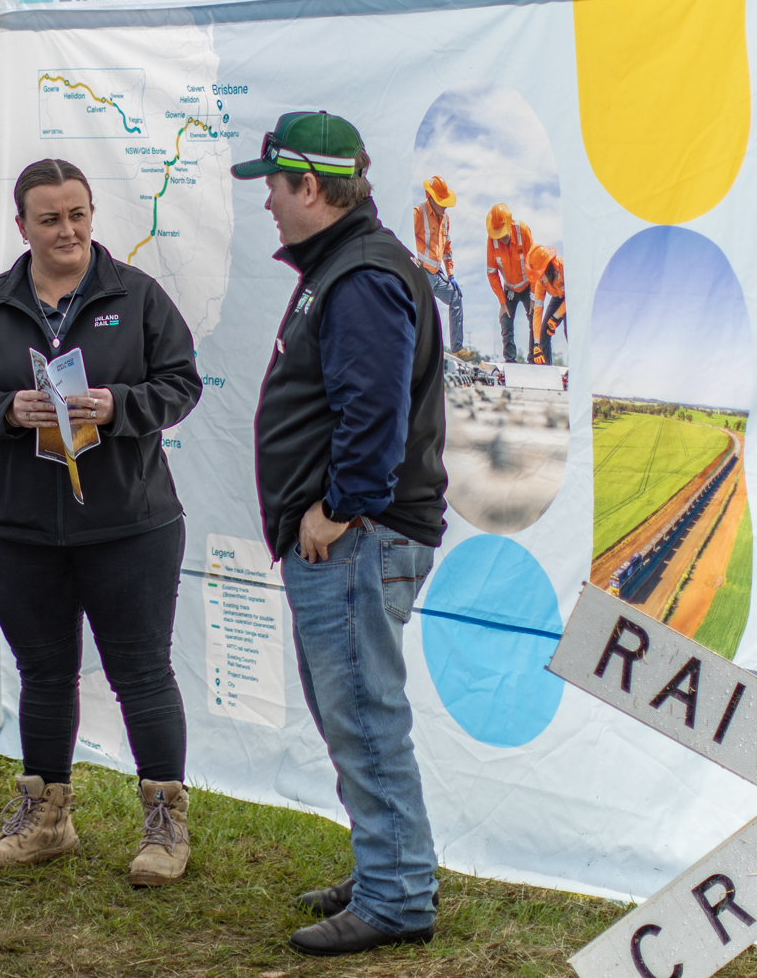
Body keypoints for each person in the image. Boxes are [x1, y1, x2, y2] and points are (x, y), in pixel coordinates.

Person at [0, 158, 203, 886]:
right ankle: (46, 818)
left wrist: (119, 406)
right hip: (20, 528)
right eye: (50, 218)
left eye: (78, 213)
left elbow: (182, 383)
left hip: (130, 524)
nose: (68, 229)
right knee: (44, 673)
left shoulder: (136, 296)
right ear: (20, 225)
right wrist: (6, 411)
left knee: (141, 672)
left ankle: (164, 824)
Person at [232, 111, 448, 956]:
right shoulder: (346, 265)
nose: (269, 207)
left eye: (275, 189)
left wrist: (338, 508)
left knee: (362, 713)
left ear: (311, 187)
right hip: (350, 538)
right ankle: (388, 865)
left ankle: (396, 894)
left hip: (356, 538)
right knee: (350, 710)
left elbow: (375, 413)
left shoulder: (359, 276)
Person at [412, 176, 464, 351]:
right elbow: (404, 239)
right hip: (422, 273)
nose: (445, 206)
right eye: (442, 202)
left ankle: (457, 349)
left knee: (456, 297)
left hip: (438, 274)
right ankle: (419, 350)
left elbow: (447, 248)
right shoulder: (418, 213)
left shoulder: (445, 219)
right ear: (432, 198)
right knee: (424, 311)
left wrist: (451, 275)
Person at [485, 203, 534, 364]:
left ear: (509, 223)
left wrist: (534, 296)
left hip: (528, 286)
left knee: (535, 319)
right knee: (505, 320)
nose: (502, 236)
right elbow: (492, 273)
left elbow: (534, 266)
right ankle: (510, 361)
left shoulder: (523, 231)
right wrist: (502, 301)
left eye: (504, 232)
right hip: (510, 289)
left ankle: (534, 360)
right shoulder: (491, 242)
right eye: (498, 233)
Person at [526, 244, 566, 365]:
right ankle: (546, 370)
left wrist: (556, 317)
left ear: (547, 269)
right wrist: (536, 344)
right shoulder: (540, 284)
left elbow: (573, 298)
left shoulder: (565, 267)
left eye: (539, 275)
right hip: (558, 298)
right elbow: (537, 313)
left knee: (570, 331)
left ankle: (578, 370)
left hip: (573, 299)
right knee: (544, 332)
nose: (539, 279)